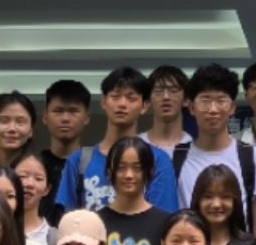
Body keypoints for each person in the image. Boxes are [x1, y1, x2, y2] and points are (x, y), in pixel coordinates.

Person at [57, 67, 182, 214]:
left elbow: (162, 218)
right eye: (115, 96)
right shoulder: (79, 160)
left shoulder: (158, 160)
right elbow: (67, 218)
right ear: (104, 102)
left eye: (131, 98)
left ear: (144, 106)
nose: (122, 104)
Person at [174, 63, 256, 229]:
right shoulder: (176, 157)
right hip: (189, 244)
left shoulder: (253, 156)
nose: (213, 109)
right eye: (205, 101)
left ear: (232, 108)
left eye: (221, 101)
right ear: (191, 108)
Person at [93, 137, 170, 245]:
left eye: (137, 168)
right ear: (110, 172)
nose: (129, 175)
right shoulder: (95, 222)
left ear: (149, 172)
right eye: (121, 168)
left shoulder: (166, 224)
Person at [37, 81, 92, 223]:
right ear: (45, 117)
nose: (65, 118)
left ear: (86, 118)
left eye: (73, 111)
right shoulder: (34, 166)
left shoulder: (96, 164)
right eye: (58, 111)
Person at [7, 148, 55, 245]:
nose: (29, 184)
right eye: (22, 176)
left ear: (47, 189)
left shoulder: (54, 238)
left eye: (38, 179)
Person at [0, 89, 41, 168]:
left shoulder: (42, 173)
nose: (12, 129)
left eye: (20, 122)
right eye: (4, 121)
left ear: (31, 130)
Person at [145, 65, 191, 153]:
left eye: (173, 91)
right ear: (148, 100)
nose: (166, 97)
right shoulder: (135, 146)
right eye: (158, 91)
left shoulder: (196, 147)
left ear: (185, 100)